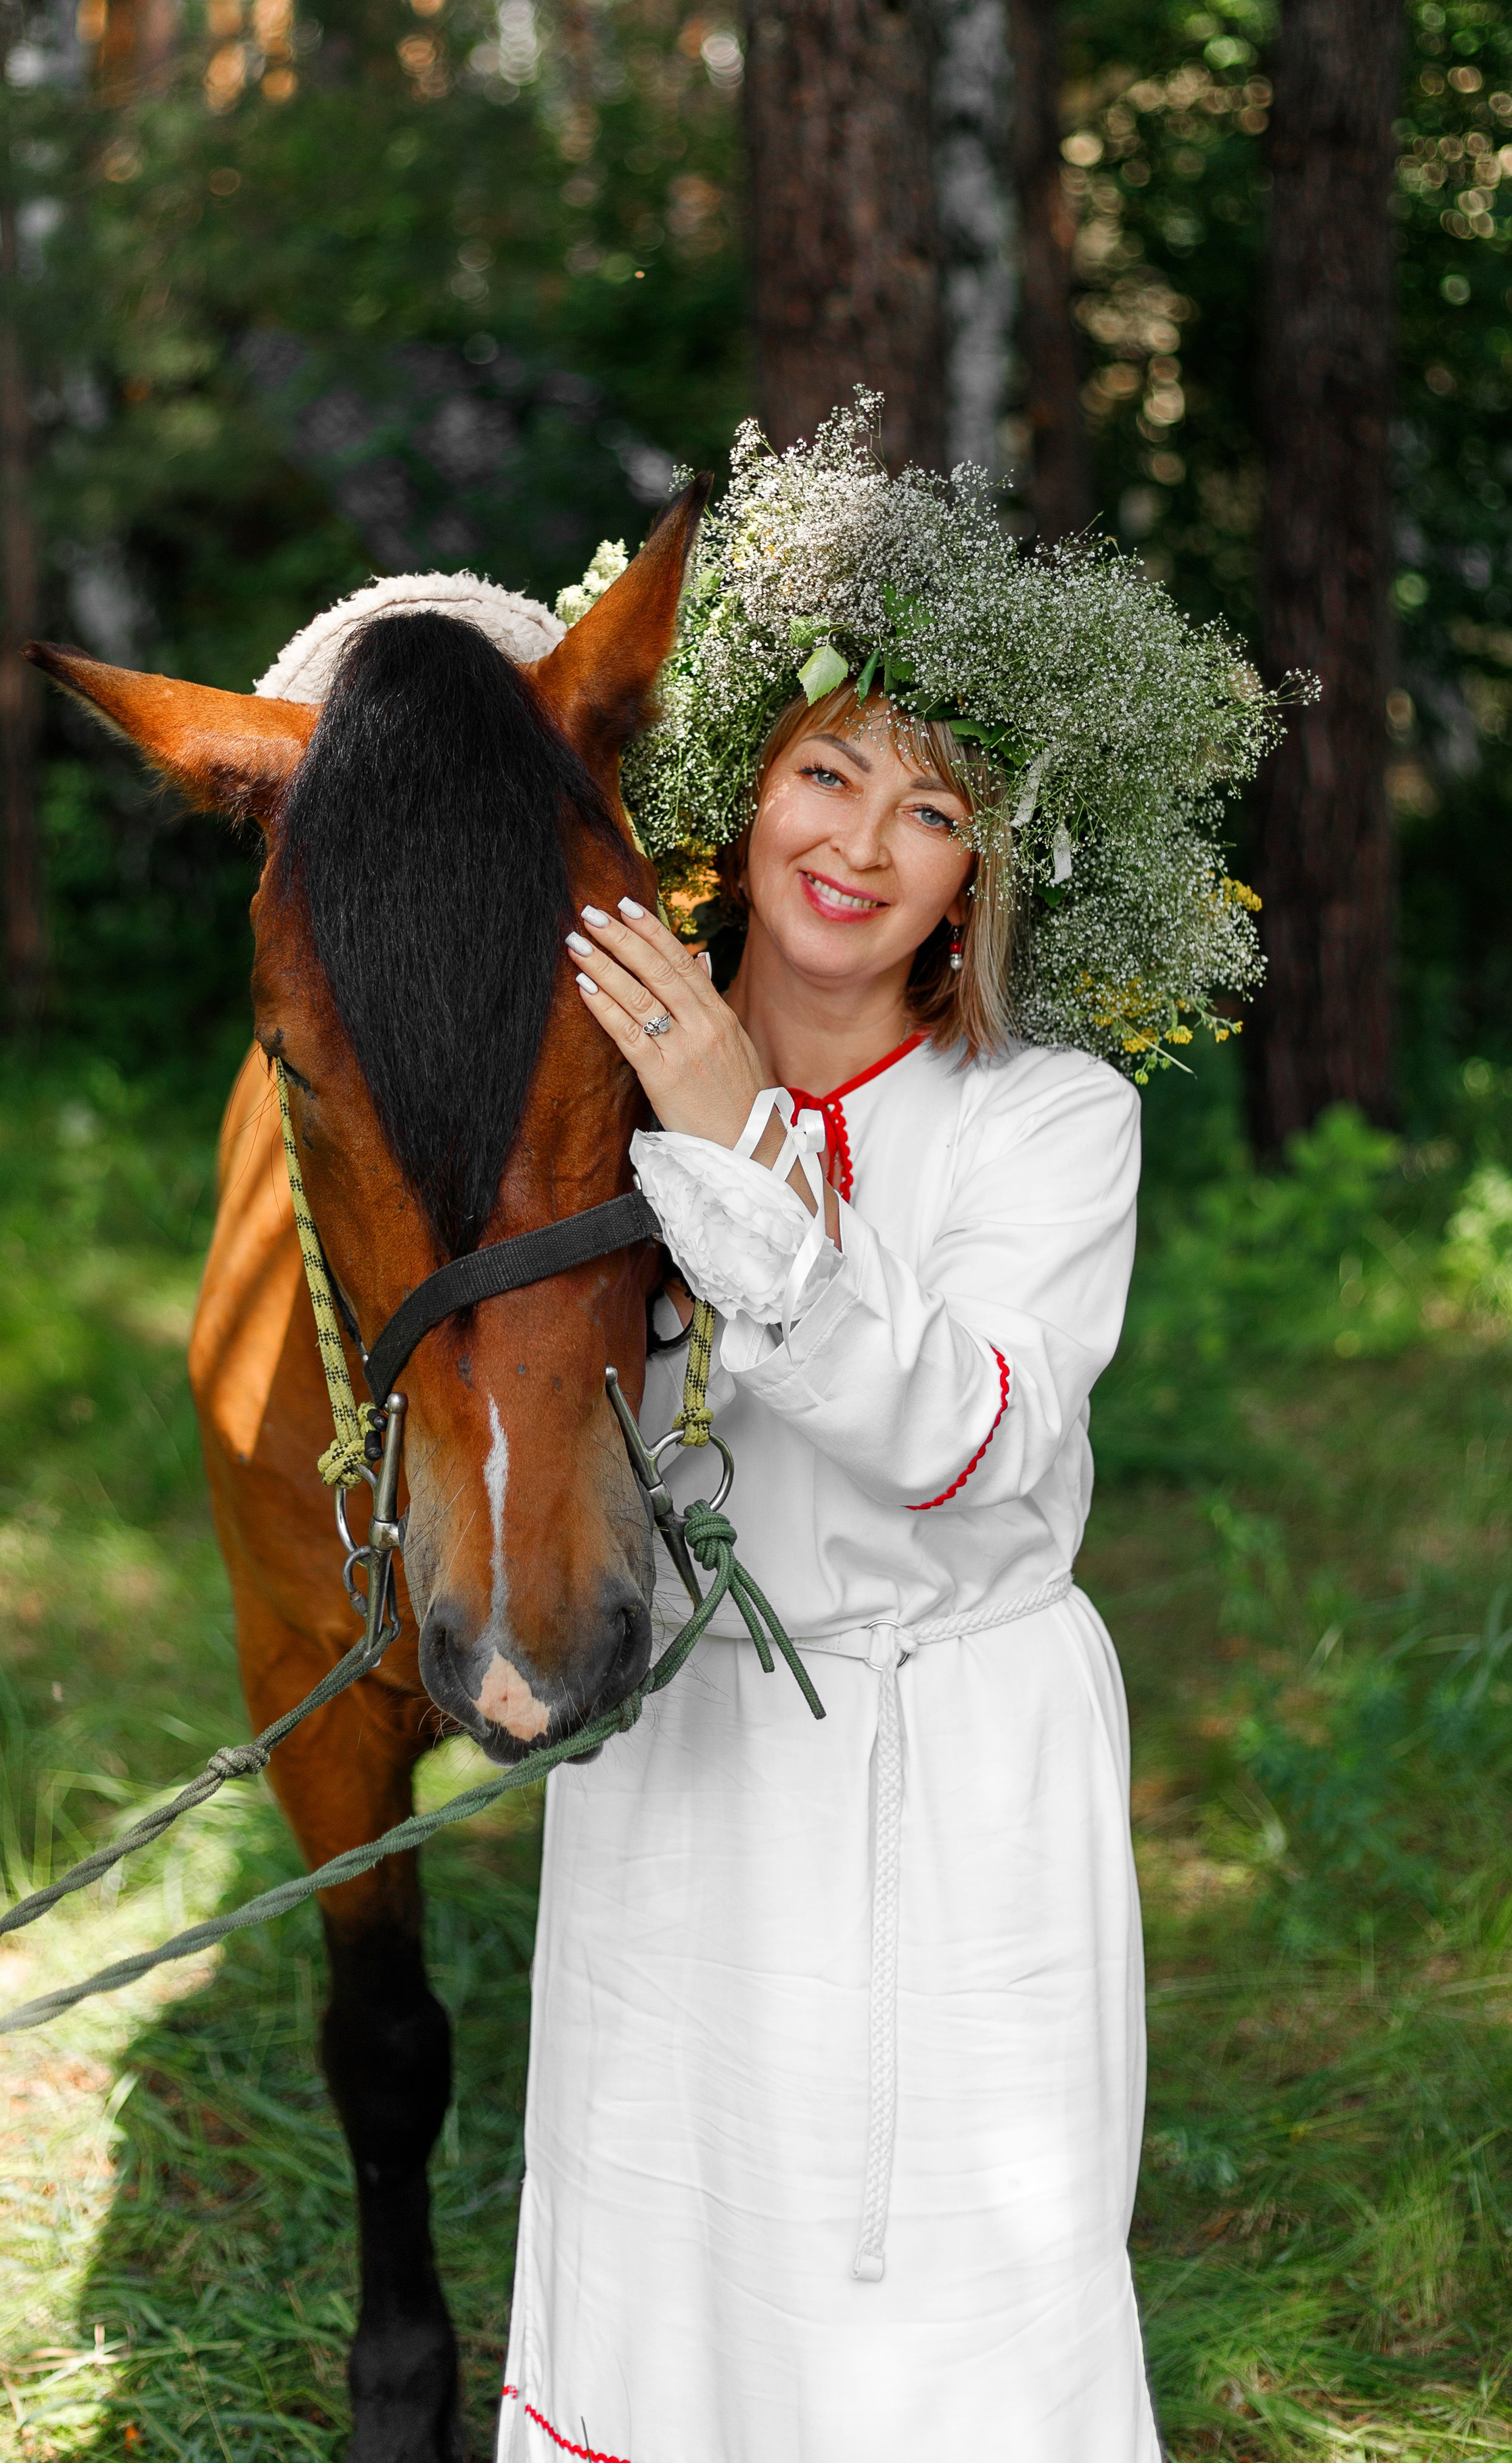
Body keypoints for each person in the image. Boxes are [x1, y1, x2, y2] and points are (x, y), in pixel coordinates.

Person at [497, 398, 1281, 2462]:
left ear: (979, 877)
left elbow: (969, 1435)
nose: (855, 842)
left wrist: (742, 1148)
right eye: (820, 772)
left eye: (928, 812)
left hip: (946, 1790)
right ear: (742, 798)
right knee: (671, 2279)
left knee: (946, 2306)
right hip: (684, 1762)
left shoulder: (1050, 1118)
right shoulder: (598, 1072)